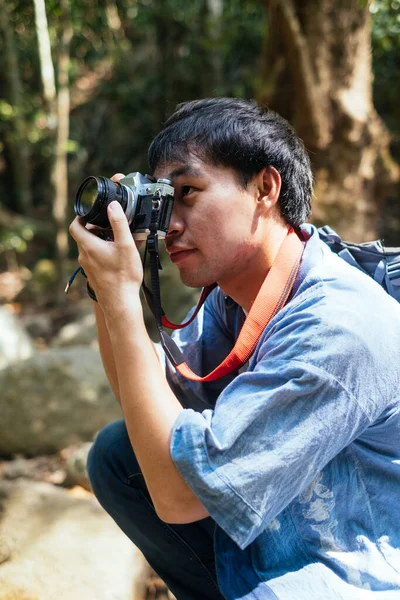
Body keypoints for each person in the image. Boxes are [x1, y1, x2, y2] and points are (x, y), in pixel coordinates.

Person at [69, 98, 400, 600]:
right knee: (120, 455)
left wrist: (120, 300)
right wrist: (105, 289)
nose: (169, 225)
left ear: (265, 188)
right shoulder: (237, 296)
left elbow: (178, 497)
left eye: (189, 193)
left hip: (353, 564)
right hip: (281, 531)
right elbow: (151, 402)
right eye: (164, 200)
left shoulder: (336, 325)